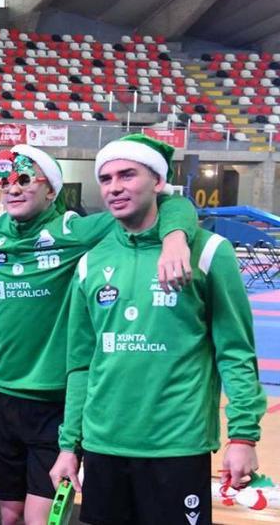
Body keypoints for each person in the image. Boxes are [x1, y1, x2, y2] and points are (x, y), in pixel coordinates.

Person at [0, 144, 197, 525]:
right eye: (5, 181)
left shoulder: (75, 230)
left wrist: (175, 236)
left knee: (41, 520)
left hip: (56, 401)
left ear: (51, 189)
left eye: (24, 180)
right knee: (10, 516)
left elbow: (165, 201)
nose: (12, 189)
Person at [48, 134, 267, 525]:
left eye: (128, 175)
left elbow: (235, 351)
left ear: (159, 182)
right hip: (103, 446)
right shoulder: (92, 262)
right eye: (107, 178)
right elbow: (81, 364)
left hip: (176, 447)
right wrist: (70, 446)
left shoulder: (211, 252)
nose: (115, 187)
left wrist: (243, 436)